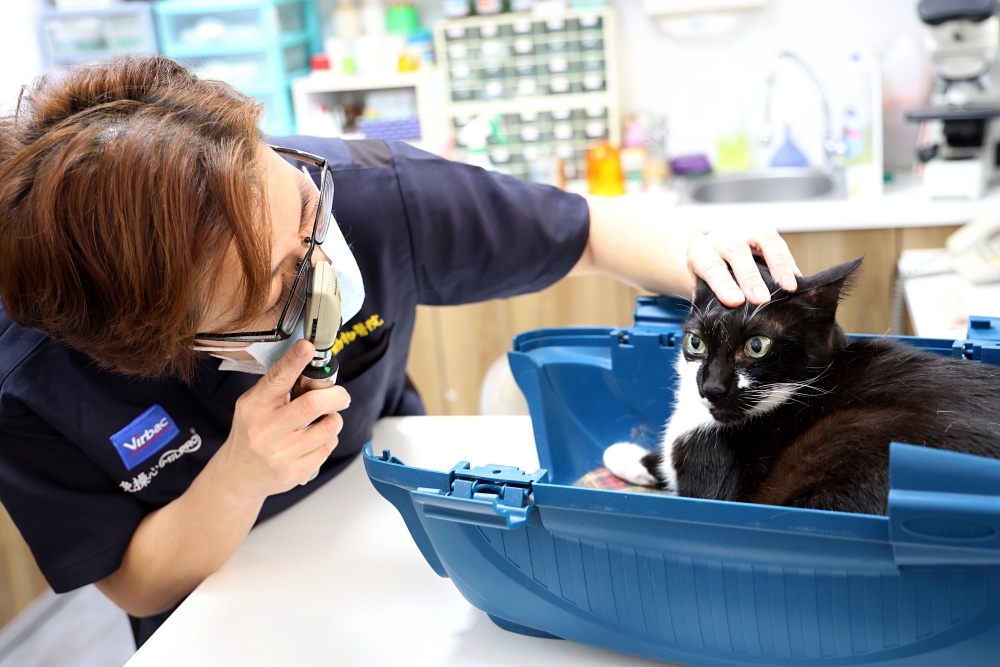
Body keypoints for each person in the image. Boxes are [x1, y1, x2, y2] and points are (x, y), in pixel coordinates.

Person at [0, 56, 802, 646]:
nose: (324, 255)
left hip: (390, 525)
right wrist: (239, 475)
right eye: (283, 281)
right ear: (163, 345)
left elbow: (593, 232)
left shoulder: (371, 191)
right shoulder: (32, 380)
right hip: (216, 610)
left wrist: (709, 258)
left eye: (308, 206)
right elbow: (132, 577)